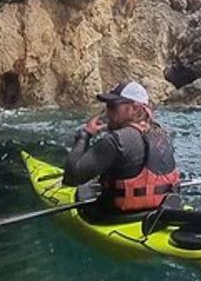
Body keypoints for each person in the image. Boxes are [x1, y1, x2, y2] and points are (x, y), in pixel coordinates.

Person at [63, 80, 181, 213]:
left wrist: (85, 135)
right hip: (161, 211)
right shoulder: (163, 134)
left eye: (113, 106)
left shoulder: (115, 140)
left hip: (117, 215)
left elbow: (71, 178)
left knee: (85, 189)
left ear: (135, 108)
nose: (107, 112)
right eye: (107, 106)